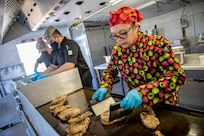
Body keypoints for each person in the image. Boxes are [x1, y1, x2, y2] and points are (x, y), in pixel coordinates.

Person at [92, 6, 186, 110]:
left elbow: (177, 77)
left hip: (163, 104)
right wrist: (105, 85)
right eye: (115, 35)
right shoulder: (117, 50)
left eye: (123, 33)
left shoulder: (157, 44)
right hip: (136, 105)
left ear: (136, 26)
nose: (119, 39)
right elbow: (110, 71)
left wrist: (143, 93)